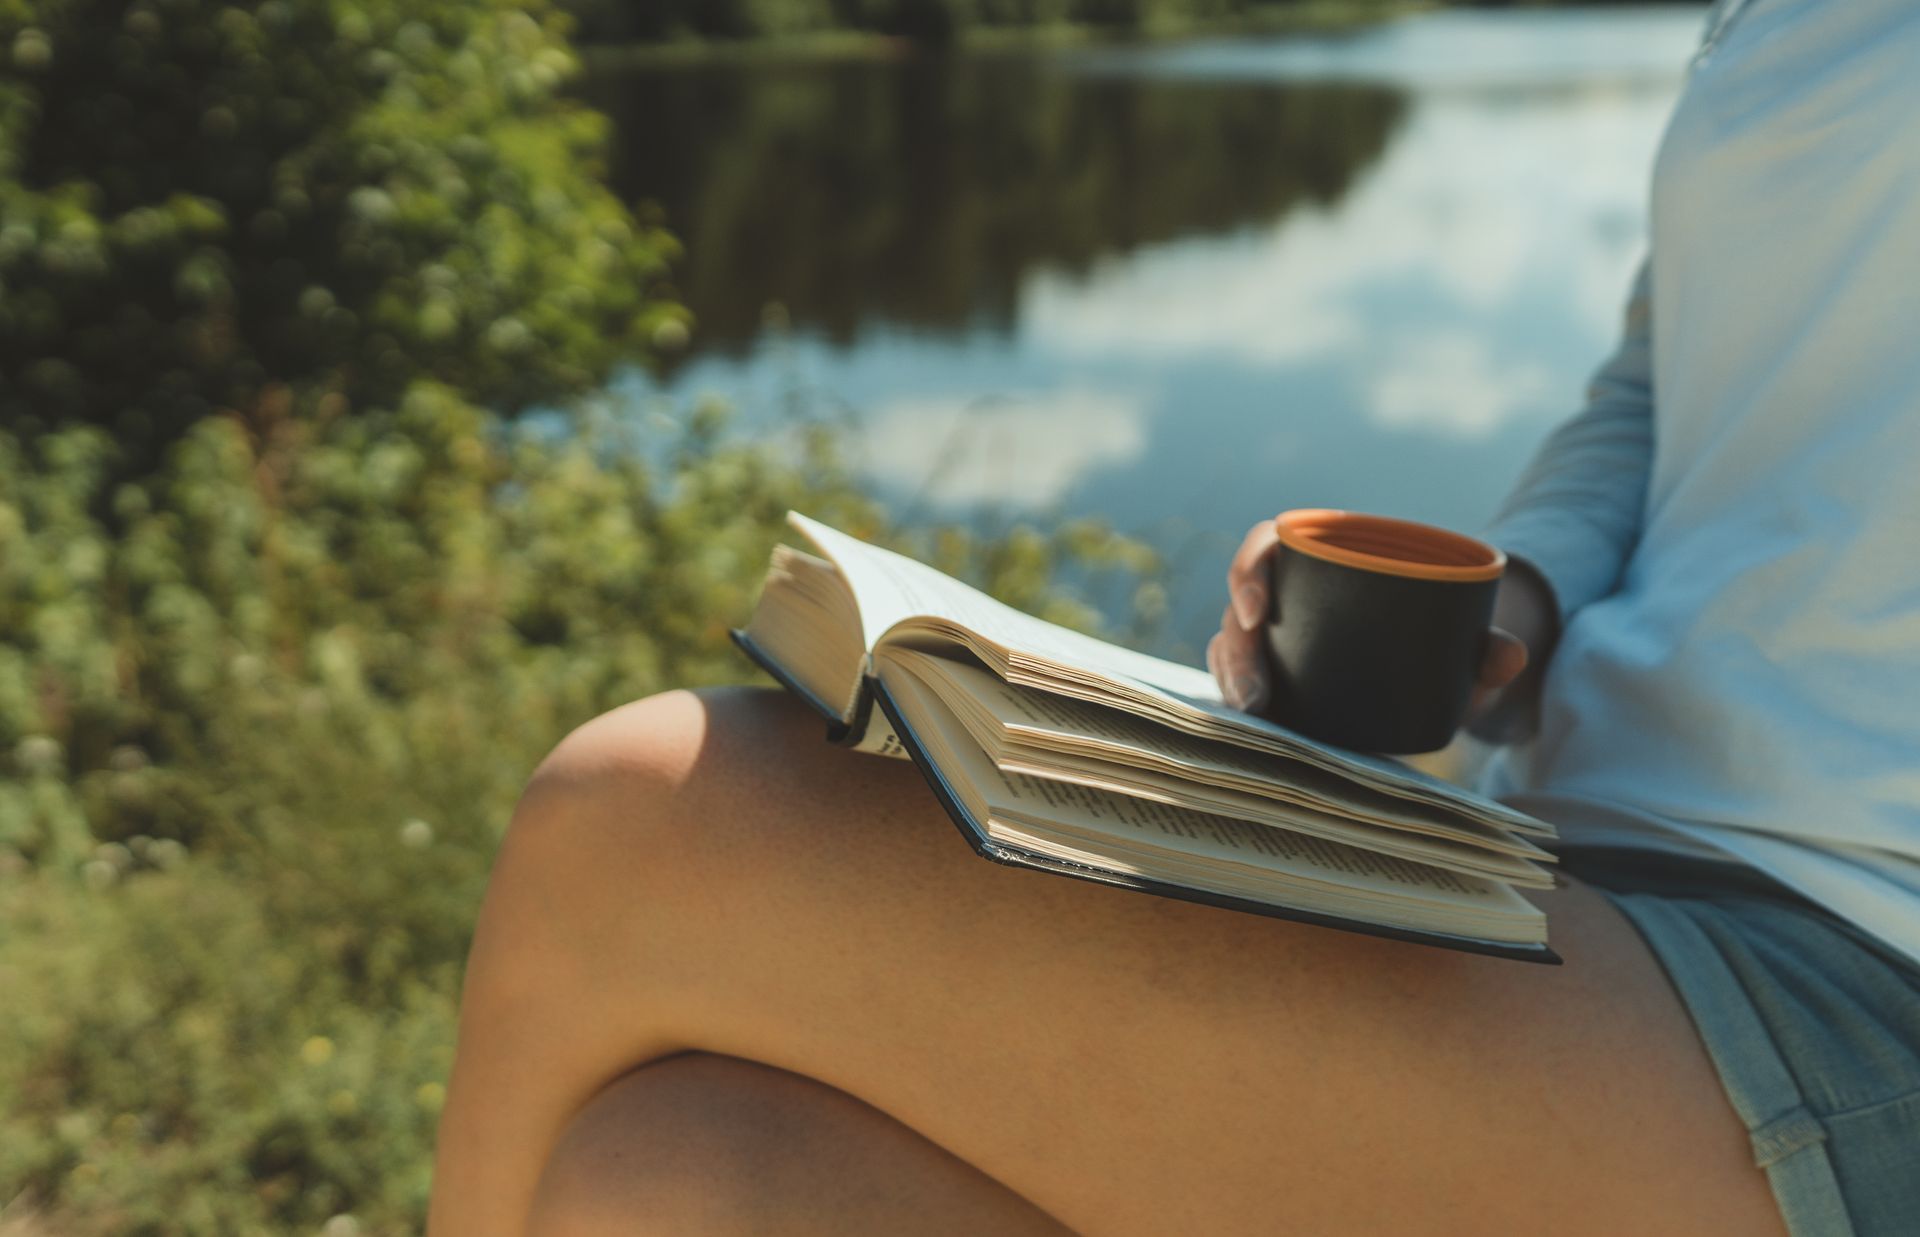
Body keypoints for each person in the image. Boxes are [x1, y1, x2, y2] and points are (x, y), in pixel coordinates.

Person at [428, 0, 1920, 1231]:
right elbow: (1656, 392)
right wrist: (1502, 599)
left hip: (1850, 981)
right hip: (1561, 882)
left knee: (640, 820)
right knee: (679, 1177)